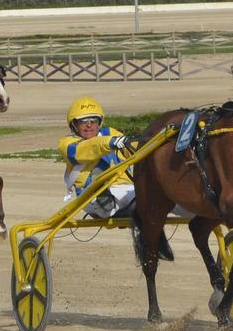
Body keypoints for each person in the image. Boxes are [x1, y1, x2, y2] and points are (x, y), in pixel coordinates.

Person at [57, 96, 173, 259]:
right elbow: (88, 148)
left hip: (127, 191)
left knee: (158, 195)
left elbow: (134, 153)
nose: (89, 125)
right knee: (131, 201)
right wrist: (110, 143)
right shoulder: (67, 143)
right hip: (91, 196)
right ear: (74, 125)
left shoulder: (110, 133)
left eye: (93, 120)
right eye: (83, 121)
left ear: (100, 121)